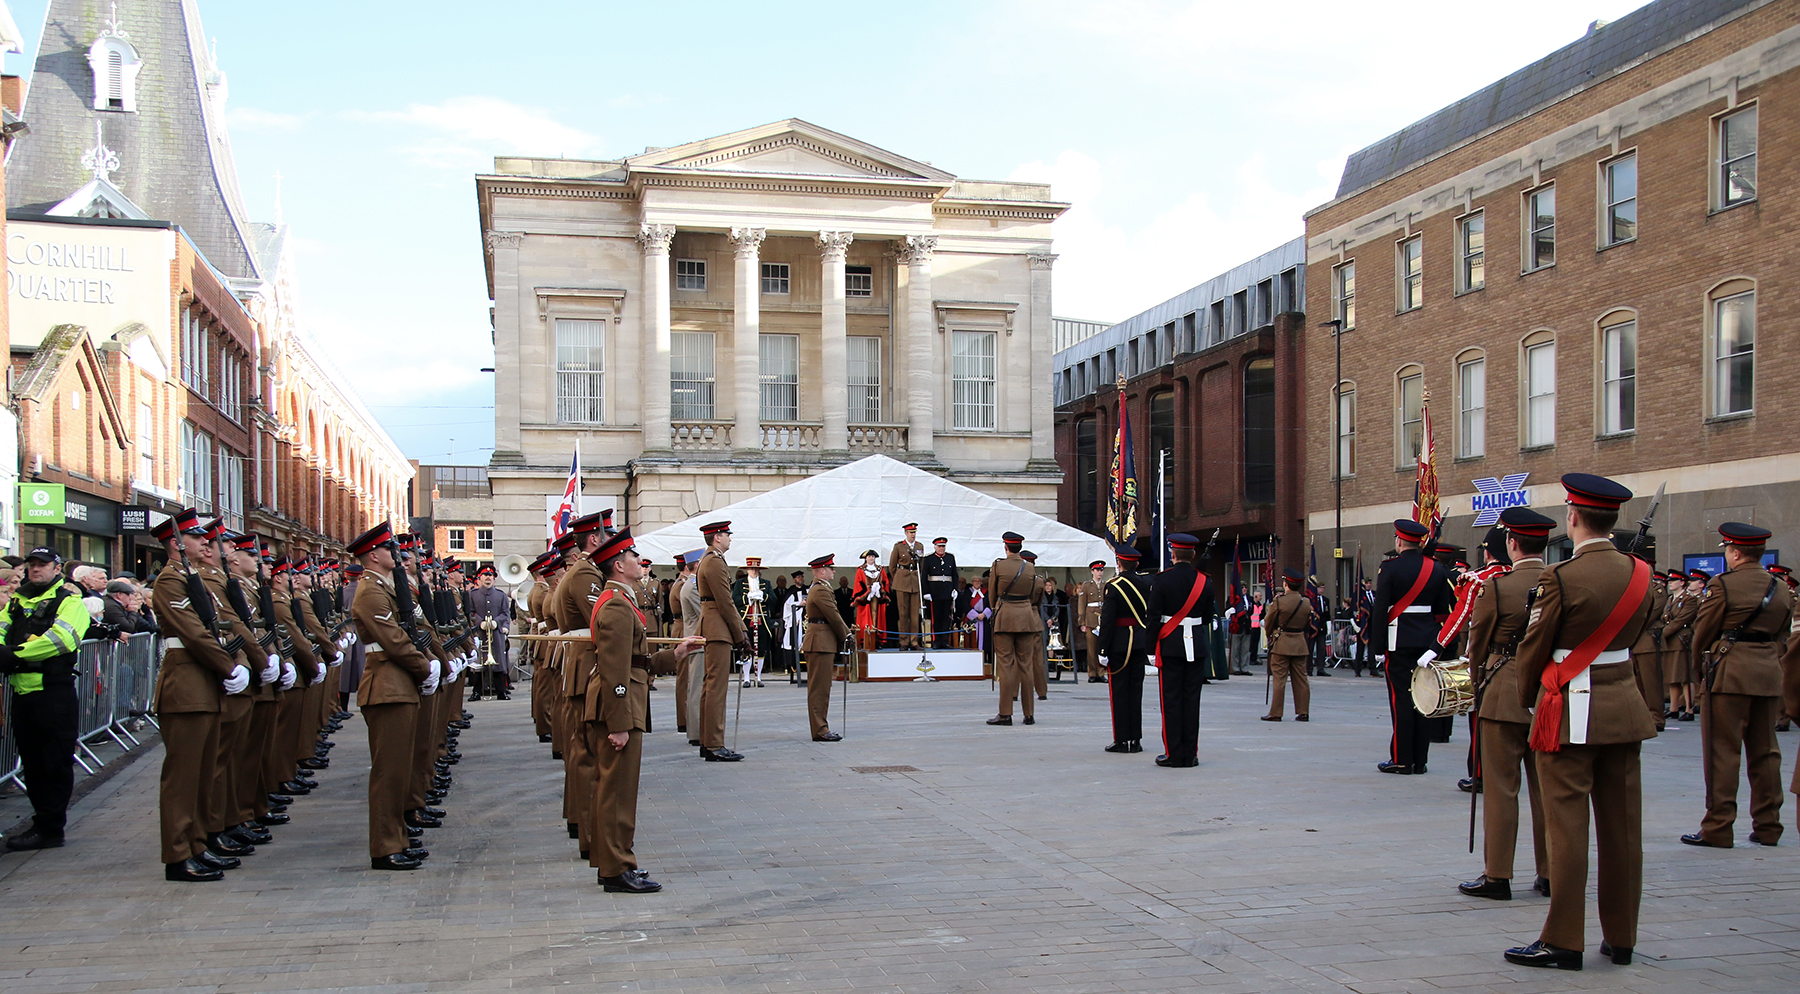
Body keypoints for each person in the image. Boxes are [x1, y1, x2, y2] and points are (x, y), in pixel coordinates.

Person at [1504, 474, 1659, 971]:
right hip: (1624, 708)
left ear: (1573, 516)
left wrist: (1529, 698)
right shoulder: (1641, 574)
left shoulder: (1560, 577)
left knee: (1567, 830)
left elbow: (1534, 650)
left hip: (1570, 710)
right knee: (1623, 831)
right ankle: (1622, 937)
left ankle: (1564, 938)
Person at [579, 528, 698, 892]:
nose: (639, 560)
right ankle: (617, 868)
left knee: (614, 788)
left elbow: (633, 658)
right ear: (619, 565)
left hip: (623, 699)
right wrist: (617, 722)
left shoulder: (619, 598)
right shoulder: (615, 603)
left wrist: (672, 656)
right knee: (616, 790)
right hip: (619, 705)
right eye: (633, 555)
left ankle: (613, 863)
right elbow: (615, 667)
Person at [1456, 507, 1553, 902]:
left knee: (1500, 788)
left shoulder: (1496, 587)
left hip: (1502, 692)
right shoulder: (1560, 582)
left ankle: (1498, 874)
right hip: (1549, 693)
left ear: (1512, 544)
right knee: (1547, 789)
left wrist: (1474, 684)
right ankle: (1549, 872)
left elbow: (1476, 646)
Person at [1682, 522, 1793, 848]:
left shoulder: (1723, 585)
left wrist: (1699, 671)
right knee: (1766, 752)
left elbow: (1703, 632)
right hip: (1767, 672)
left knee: (1722, 753)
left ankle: (1718, 827)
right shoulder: (1780, 587)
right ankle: (1769, 825)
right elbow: (1782, 631)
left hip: (1729, 673)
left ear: (1734, 552)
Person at [348, 521, 435, 871]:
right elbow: (394, 640)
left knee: (399, 769)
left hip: (398, 684)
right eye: (390, 549)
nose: (397, 555)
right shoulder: (369, 591)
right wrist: (424, 666)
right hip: (386, 686)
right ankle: (385, 846)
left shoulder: (384, 586)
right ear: (373, 555)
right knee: (389, 773)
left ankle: (397, 836)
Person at [0, 547, 93, 853]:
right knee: (33, 763)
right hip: (23, 691)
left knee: (54, 763)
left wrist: (14, 654)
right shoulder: (17, 601)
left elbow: (62, 640)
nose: (35, 569)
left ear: (56, 568)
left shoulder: (69, 599)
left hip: (53, 691)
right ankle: (43, 822)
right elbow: (1, 629)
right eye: (32, 565)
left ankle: (51, 827)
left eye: (42, 565)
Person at [1373, 519, 1454, 775]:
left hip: (1398, 641)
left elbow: (1380, 610)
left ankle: (1401, 759)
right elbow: (1442, 611)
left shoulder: (1390, 568)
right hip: (1426, 641)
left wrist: (1377, 646)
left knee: (1401, 701)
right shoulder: (1436, 568)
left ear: (1399, 541)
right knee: (1422, 699)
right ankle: (1420, 760)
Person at [1149, 534, 1217, 767]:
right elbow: (1207, 617)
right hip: (1195, 646)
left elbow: (1153, 617)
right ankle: (1190, 753)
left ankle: (1173, 753)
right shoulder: (1204, 581)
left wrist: (1150, 649)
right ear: (1193, 555)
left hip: (1171, 646)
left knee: (1171, 701)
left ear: (1173, 554)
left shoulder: (1162, 580)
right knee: (1191, 701)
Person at [696, 521, 749, 762]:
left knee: (711, 687)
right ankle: (714, 744)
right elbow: (725, 602)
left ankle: (708, 741)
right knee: (716, 688)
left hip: (713, 624)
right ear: (717, 537)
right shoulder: (714, 561)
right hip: (718, 627)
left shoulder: (708, 559)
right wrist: (741, 635)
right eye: (727, 534)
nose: (730, 538)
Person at [1098, 544, 1150, 752]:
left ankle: (1121, 740)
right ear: (1136, 564)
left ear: (1119, 563)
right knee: (1136, 692)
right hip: (1139, 641)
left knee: (1119, 693)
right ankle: (1135, 740)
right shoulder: (1147, 582)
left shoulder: (1114, 585)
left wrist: (1102, 650)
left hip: (1119, 645)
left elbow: (1108, 621)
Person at [987, 532, 1042, 726]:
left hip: (1005, 617)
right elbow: (1035, 596)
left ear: (1006, 547)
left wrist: (997, 610)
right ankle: (1029, 714)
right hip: (1026, 618)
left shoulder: (998, 566)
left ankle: (1005, 713)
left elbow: (992, 595)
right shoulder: (1030, 568)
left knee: (1006, 665)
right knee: (1026, 666)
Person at [802, 554, 851, 741]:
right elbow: (834, 616)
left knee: (822, 688)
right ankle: (820, 729)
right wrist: (847, 635)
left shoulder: (821, 588)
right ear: (822, 570)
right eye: (831, 568)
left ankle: (821, 727)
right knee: (819, 689)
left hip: (822, 641)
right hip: (820, 643)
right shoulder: (821, 590)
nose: (834, 571)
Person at [1261, 569, 1311, 722]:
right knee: (1301, 678)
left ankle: (1276, 712)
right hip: (1300, 643)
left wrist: (1270, 635)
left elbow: (1269, 622)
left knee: (1279, 679)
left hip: (1282, 643)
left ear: (1286, 584)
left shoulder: (1279, 601)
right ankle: (1303, 712)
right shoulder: (1306, 602)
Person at [466, 565, 513, 700]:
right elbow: (470, 612)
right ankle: (476, 691)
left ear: (494, 579)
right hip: (479, 633)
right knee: (480, 662)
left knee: (498, 661)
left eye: (490, 575)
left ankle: (501, 691)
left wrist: (496, 622)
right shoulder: (473, 595)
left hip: (495, 632)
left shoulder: (501, 595)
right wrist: (479, 621)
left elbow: (505, 613)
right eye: (485, 575)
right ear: (480, 578)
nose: (488, 577)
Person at [1663, 570, 1702, 722]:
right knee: (1673, 676)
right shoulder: (1671, 598)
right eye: (1670, 581)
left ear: (1682, 582)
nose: (1670, 583)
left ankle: (1689, 708)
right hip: (1671, 641)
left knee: (1685, 676)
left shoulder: (1689, 600)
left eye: (1674, 580)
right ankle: (1673, 708)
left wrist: (1663, 634)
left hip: (1681, 640)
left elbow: (1680, 620)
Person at [733, 557, 772, 687]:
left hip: (761, 620)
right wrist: (747, 598)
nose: (754, 571)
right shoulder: (740, 583)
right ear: (747, 569)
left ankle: (758, 677)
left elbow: (773, 599)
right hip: (746, 620)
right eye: (751, 568)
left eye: (756, 568)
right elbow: (734, 599)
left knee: (760, 649)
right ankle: (746, 678)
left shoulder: (766, 583)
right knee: (746, 649)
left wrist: (763, 596)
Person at [678, 549, 704, 739]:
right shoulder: (693, 587)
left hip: (696, 640)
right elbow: (705, 612)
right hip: (697, 641)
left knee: (696, 686)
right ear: (696, 565)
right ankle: (696, 732)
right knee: (696, 688)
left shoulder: (692, 584)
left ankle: (696, 729)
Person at [889, 524, 924, 649]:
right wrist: (898, 577)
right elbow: (892, 566)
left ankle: (914, 641)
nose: (913, 534)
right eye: (910, 532)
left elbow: (921, 565)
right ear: (905, 533)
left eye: (914, 532)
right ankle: (903, 641)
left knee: (915, 614)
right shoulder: (899, 546)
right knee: (903, 613)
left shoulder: (919, 546)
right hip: (902, 580)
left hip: (914, 581)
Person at [1075, 560, 1107, 683]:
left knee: (1102, 648)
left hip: (1102, 619)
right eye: (1097, 570)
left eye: (1101, 570)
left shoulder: (1105, 584)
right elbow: (1082, 605)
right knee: (1092, 648)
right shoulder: (1087, 585)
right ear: (1092, 571)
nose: (1100, 572)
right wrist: (1082, 622)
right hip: (1091, 619)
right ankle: (1092, 673)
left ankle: (1101, 672)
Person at [852, 551, 888, 653]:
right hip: (866, 600)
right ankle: (866, 640)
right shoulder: (861, 570)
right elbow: (858, 584)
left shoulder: (880, 569)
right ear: (865, 558)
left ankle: (877, 640)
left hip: (877, 599)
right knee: (866, 620)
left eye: (872, 556)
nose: (871, 558)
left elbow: (885, 581)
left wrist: (880, 589)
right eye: (869, 557)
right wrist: (867, 591)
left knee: (878, 619)